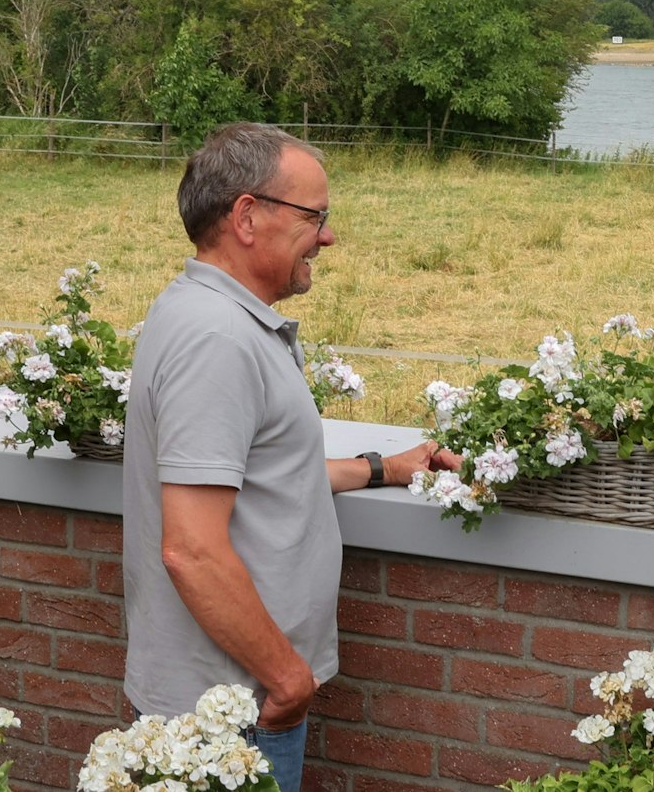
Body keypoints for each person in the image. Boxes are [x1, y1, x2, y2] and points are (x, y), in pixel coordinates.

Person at [122, 123, 455, 792]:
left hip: (235, 701)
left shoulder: (207, 313)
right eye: (315, 216)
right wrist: (287, 680)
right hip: (229, 713)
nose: (328, 236)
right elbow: (191, 548)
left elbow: (251, 473)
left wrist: (383, 467)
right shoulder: (216, 340)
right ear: (247, 216)